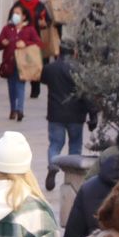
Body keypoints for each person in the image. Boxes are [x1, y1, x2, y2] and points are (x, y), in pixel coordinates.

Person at [40, 43, 92, 193]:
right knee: (75, 145)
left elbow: (42, 79)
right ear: (74, 52)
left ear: (59, 51)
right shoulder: (80, 70)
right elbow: (86, 94)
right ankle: (72, 176)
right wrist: (93, 113)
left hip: (55, 113)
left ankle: (53, 166)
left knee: (55, 144)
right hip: (76, 114)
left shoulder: (50, 68)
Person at [0, 5, 43, 122]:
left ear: (24, 16)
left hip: (23, 63)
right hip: (9, 63)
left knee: (20, 86)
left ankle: (20, 109)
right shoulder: (7, 29)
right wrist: (2, 42)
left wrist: (25, 43)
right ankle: (13, 109)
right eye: (13, 13)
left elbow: (39, 43)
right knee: (12, 87)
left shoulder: (30, 29)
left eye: (17, 13)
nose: (15, 15)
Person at [14, 0, 56, 101]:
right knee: (19, 63)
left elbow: (48, 20)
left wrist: (44, 23)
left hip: (35, 38)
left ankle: (35, 89)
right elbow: (11, 18)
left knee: (34, 63)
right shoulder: (18, 4)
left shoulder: (40, 5)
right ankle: (18, 87)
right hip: (20, 37)